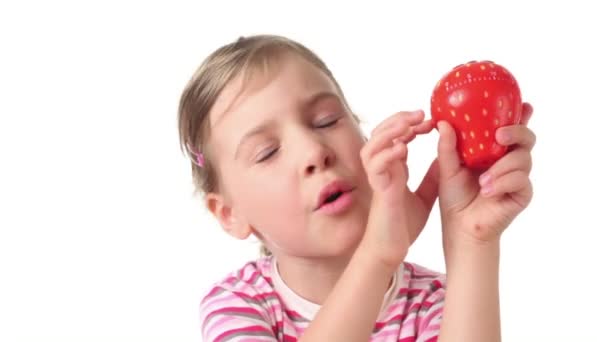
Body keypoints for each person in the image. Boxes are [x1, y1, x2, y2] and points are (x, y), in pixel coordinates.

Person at [177, 34, 536, 341]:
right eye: (268, 152)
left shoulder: (438, 302)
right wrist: (376, 255)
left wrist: (472, 243)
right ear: (229, 214)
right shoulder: (236, 303)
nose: (314, 152)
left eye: (326, 121)